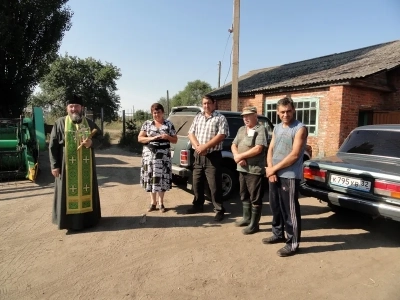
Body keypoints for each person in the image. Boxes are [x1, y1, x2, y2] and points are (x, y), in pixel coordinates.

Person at [49, 94, 103, 231]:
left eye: (77, 106)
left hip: (86, 167)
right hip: (66, 167)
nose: (74, 109)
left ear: (82, 108)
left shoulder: (89, 123)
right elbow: (53, 145)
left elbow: (101, 139)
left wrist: (92, 142)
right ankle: (68, 223)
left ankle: (88, 221)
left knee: (87, 191)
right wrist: (54, 165)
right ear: (67, 108)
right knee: (67, 193)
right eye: (71, 106)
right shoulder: (60, 123)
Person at [263, 96, 308, 257]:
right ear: (277, 112)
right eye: (282, 112)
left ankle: (293, 243)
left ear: (293, 110)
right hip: (274, 172)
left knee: (290, 211)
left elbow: (295, 155)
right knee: (275, 206)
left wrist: (274, 168)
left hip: (289, 175)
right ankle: (277, 233)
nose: (286, 114)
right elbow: (271, 148)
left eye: (289, 111)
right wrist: (271, 169)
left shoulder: (299, 128)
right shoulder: (276, 128)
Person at [186, 95, 229, 221]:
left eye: (209, 103)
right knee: (197, 182)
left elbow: (222, 135)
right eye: (204, 103)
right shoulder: (198, 116)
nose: (206, 106)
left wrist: (205, 147)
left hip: (213, 156)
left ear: (214, 103)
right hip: (198, 154)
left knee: (214, 184)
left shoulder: (220, 118)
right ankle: (198, 205)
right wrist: (198, 147)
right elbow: (190, 133)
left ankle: (219, 209)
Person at [231, 106, 268, 234]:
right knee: (243, 194)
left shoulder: (260, 129)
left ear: (255, 116)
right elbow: (233, 144)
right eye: (243, 116)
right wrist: (237, 156)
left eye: (248, 115)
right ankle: (246, 218)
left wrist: (241, 156)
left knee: (255, 197)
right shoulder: (241, 129)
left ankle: (254, 224)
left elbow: (258, 148)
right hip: (241, 168)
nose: (245, 118)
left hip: (254, 169)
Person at [138, 103, 177, 212]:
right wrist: (151, 138)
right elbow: (140, 138)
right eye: (154, 112)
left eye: (158, 112)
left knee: (162, 179)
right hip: (149, 157)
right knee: (152, 178)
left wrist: (167, 136)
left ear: (163, 113)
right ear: (152, 113)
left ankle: (161, 203)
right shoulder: (147, 124)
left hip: (163, 157)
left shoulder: (169, 124)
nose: (156, 115)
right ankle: (152, 202)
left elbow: (175, 140)